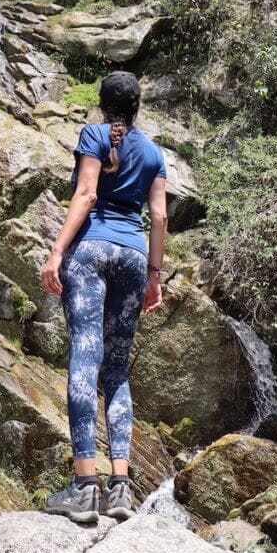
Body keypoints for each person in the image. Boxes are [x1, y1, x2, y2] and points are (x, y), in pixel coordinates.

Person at [39, 71, 168, 524]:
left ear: (102, 103)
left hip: (91, 253)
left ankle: (82, 488)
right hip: (134, 258)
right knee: (115, 370)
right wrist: (155, 276)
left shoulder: (94, 134)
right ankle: (119, 489)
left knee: (84, 360)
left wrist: (56, 252)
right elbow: (158, 216)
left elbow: (87, 193)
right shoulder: (153, 152)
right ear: (136, 106)